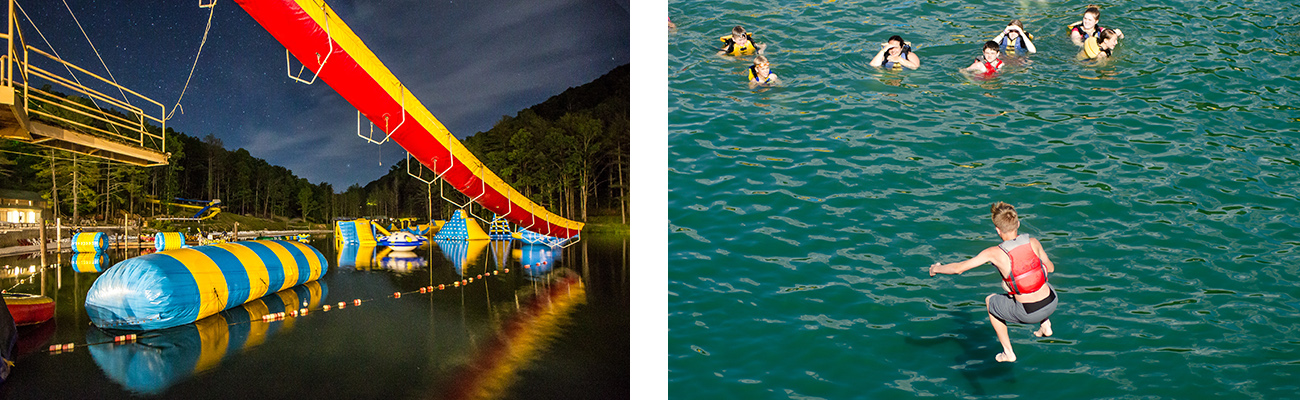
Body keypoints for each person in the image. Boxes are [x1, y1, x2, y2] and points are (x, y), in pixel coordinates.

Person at [928, 202, 1058, 363]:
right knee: (1033, 277)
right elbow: (1050, 268)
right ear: (1018, 223)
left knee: (991, 301)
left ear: (997, 230)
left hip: (1029, 313)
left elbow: (958, 269)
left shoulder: (993, 253)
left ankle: (1008, 352)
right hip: (1052, 301)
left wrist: (936, 269)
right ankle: (1045, 324)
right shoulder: (1034, 242)